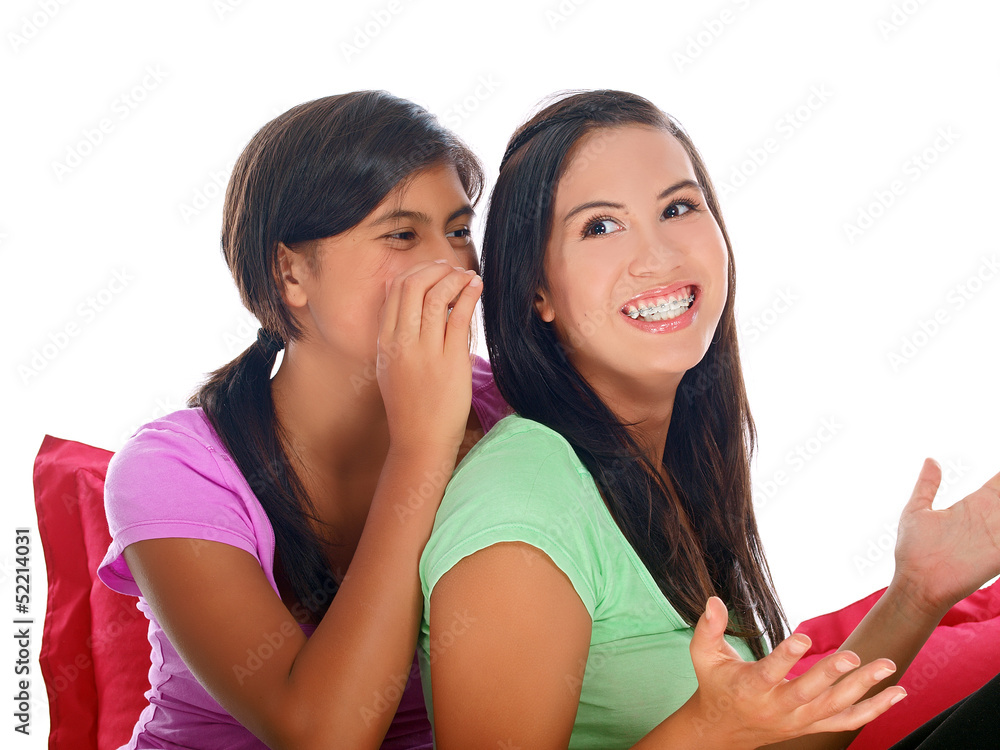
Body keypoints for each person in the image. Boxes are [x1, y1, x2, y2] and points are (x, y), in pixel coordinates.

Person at [418, 90, 1000, 749]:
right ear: (537, 291)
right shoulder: (522, 501)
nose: (659, 255)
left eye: (677, 208)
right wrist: (704, 728)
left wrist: (918, 594)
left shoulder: (651, 472)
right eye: (600, 227)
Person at [97, 91, 508, 749]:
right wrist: (423, 448)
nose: (452, 267)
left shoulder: (511, 413)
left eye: (458, 231)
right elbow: (320, 735)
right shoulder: (172, 470)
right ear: (289, 272)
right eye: (402, 234)